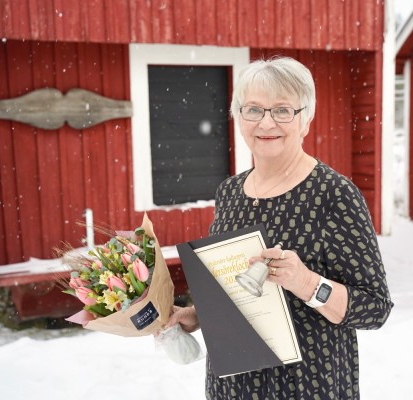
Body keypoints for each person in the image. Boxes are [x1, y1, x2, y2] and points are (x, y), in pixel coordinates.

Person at [166, 56, 393, 399]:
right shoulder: (229, 192)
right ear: (238, 117)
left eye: (283, 110)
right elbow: (236, 287)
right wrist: (198, 316)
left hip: (307, 385)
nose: (266, 122)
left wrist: (306, 283)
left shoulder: (334, 194)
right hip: (232, 385)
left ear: (306, 119)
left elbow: (375, 308)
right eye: (253, 109)